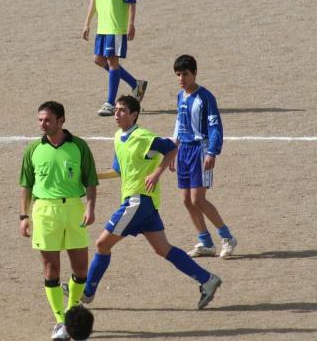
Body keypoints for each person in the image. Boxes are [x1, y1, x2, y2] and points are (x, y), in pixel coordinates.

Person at [82, 95, 222, 309]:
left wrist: (156, 173)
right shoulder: (118, 137)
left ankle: (86, 293)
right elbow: (117, 170)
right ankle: (207, 279)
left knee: (102, 244)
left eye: (122, 110)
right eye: (116, 109)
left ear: (134, 115)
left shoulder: (143, 137)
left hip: (137, 201)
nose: (116, 114)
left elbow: (172, 149)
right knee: (163, 248)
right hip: (145, 206)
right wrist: (92, 176)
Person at [19, 101, 99, 341]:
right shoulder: (33, 149)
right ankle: (60, 321)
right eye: (40, 120)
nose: (42, 124)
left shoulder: (79, 146)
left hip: (74, 208)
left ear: (61, 121)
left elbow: (90, 181)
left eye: (47, 120)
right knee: (51, 269)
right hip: (44, 210)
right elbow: (26, 184)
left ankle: (72, 311)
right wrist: (24, 216)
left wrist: (90, 207)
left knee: (81, 268)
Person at [169, 55, 237, 258]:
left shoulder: (206, 97)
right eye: (178, 74)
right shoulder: (180, 96)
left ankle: (227, 237)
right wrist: (172, 150)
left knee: (198, 199)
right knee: (186, 200)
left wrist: (212, 152)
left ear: (195, 73)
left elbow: (215, 126)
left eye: (185, 74)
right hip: (184, 151)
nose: (181, 78)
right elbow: (179, 124)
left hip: (200, 150)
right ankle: (206, 242)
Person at [82, 0, 148, 117]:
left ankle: (110, 103)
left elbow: (131, 0)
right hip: (102, 26)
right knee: (99, 59)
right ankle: (136, 84)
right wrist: (87, 23)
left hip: (116, 26)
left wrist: (131, 24)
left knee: (112, 61)